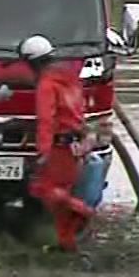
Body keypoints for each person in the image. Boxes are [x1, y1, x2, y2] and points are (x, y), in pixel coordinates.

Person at [19, 34, 95, 253]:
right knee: (59, 202)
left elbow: (46, 119)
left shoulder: (47, 84)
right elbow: (79, 112)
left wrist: (42, 151)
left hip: (58, 147)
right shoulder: (71, 80)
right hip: (74, 146)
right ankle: (66, 244)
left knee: (44, 190)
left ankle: (83, 211)